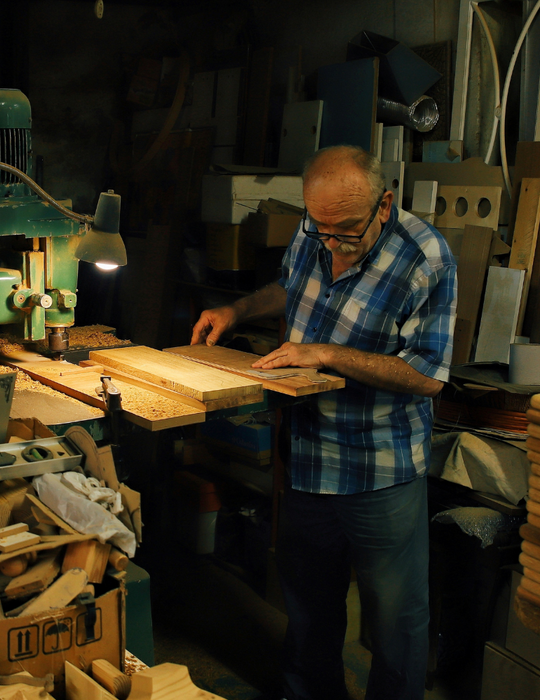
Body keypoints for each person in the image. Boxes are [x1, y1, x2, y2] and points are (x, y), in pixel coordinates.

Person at [191, 145, 457, 700]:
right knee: (309, 610)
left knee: (396, 622)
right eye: (322, 229)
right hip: (308, 456)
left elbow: (429, 375)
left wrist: (326, 354)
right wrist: (237, 311)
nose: (332, 243)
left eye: (347, 231)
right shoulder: (319, 224)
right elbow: (289, 286)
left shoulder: (426, 257)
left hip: (378, 470)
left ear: (384, 204)